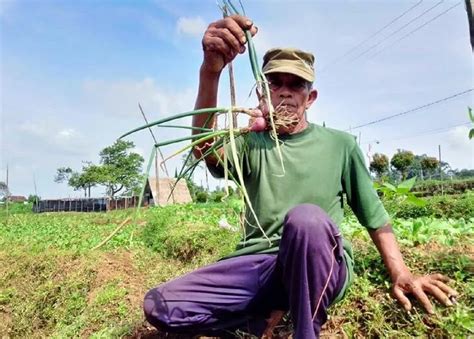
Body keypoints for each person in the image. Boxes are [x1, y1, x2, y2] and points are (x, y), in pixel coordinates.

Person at [143, 15, 458, 339]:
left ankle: (306, 331)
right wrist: (210, 71)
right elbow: (204, 147)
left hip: (318, 263)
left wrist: (401, 272)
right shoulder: (250, 143)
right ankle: (256, 316)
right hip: (259, 266)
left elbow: (375, 218)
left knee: (305, 219)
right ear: (261, 95)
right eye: (274, 84)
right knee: (160, 305)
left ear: (310, 98)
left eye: (296, 85)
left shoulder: (340, 145)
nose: (285, 93)